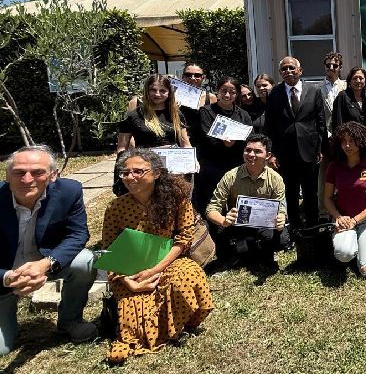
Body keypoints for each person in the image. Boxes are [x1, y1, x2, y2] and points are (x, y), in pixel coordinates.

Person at [103, 149, 213, 363]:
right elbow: (109, 250)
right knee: (134, 319)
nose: (130, 177)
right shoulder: (115, 208)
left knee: (189, 275)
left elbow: (184, 238)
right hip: (129, 269)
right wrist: (129, 281)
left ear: (156, 174)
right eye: (125, 173)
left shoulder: (177, 199)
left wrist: (155, 270)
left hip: (167, 261)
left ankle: (179, 323)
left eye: (138, 171)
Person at [1, 145, 97, 355]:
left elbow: (77, 235)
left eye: (37, 172)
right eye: (19, 172)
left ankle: (70, 321)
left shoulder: (69, 191)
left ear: (52, 175)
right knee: (2, 348)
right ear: (7, 175)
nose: (27, 179)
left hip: (46, 259)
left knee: (85, 261)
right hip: (4, 271)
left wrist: (46, 264)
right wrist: (7, 277)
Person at [206, 134, 287, 271]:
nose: (251, 154)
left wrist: (281, 220)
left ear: (268, 155)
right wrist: (224, 220)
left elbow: (281, 209)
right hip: (237, 223)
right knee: (220, 230)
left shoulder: (276, 179)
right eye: (248, 150)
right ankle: (240, 252)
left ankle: (262, 254)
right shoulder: (231, 176)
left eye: (257, 151)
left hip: (264, 224)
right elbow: (211, 208)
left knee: (282, 237)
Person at [265, 56, 327, 228]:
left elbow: (320, 122)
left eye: (292, 68)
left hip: (310, 152)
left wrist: (320, 149)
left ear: (300, 70)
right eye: (284, 69)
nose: (288, 71)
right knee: (291, 194)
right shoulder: (274, 94)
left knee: (310, 193)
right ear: (280, 73)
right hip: (285, 154)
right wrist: (271, 153)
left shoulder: (314, 90)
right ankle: (296, 230)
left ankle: (313, 228)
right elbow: (270, 126)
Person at [323, 122, 366, 277]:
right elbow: (327, 199)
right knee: (344, 254)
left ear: (361, 141)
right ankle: (351, 246)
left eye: (352, 141)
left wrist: (355, 221)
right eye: (343, 141)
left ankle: (364, 244)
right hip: (343, 219)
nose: (347, 145)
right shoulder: (334, 167)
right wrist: (338, 217)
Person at [193, 77, 252, 214]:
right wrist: (223, 142)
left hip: (236, 165)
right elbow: (206, 135)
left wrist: (234, 142)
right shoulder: (206, 111)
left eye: (232, 92)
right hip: (212, 165)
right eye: (223, 91)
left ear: (236, 94)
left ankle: (237, 233)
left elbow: (249, 137)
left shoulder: (243, 114)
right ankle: (214, 231)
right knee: (212, 203)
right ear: (217, 92)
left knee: (237, 202)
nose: (227, 95)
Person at [117, 74, 191, 153]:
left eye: (163, 91)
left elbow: (186, 144)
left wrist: (194, 162)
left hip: (172, 162)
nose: (157, 94)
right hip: (145, 162)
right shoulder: (134, 115)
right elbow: (122, 148)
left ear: (169, 92)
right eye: (153, 90)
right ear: (146, 91)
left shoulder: (176, 115)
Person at [178, 62, 217, 147]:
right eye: (188, 75)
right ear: (182, 77)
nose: (192, 78)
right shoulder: (173, 97)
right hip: (181, 143)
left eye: (197, 75)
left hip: (205, 145)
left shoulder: (211, 98)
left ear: (203, 78)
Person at [332, 67, 366, 132]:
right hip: (349, 139)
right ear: (349, 81)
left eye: (361, 78)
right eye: (355, 78)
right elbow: (338, 121)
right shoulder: (343, 96)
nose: (358, 81)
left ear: (365, 80)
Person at [321, 52, 348, 135]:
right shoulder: (316, 89)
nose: (331, 68)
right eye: (328, 65)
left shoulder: (347, 86)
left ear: (340, 67)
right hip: (325, 134)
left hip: (345, 132)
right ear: (324, 66)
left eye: (335, 66)